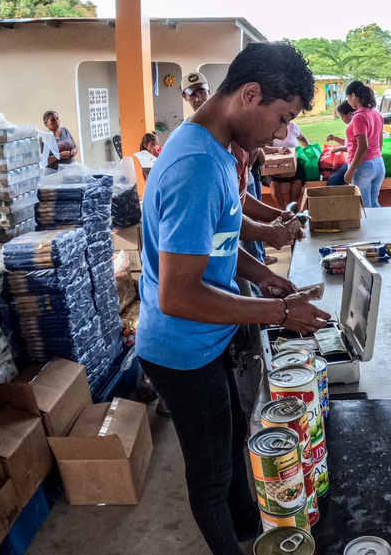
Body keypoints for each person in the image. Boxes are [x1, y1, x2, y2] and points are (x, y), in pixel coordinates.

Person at [137, 42, 329, 554]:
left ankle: (251, 529)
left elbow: (218, 243)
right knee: (210, 473)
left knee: (235, 435)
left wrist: (263, 274)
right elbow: (179, 294)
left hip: (211, 336)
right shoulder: (196, 165)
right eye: (282, 117)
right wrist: (281, 311)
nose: (282, 133)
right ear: (250, 95)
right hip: (181, 349)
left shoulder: (217, 149)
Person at [343, 81, 386, 208]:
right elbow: (380, 138)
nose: (348, 101)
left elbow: (363, 146)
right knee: (374, 203)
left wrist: (350, 170)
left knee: (363, 207)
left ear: (353, 96)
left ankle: (370, 229)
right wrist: (377, 155)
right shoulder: (376, 114)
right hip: (378, 162)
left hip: (363, 167)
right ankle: (379, 228)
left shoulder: (359, 117)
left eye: (347, 97)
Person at [263, 121, 310, 208]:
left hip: (292, 162)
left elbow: (302, 138)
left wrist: (309, 149)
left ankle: (290, 208)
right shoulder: (270, 127)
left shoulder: (293, 126)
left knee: (298, 181)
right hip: (274, 164)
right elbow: (263, 148)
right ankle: (282, 210)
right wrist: (277, 150)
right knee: (274, 183)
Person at [325, 100, 356, 186]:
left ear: (350, 114)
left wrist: (338, 148)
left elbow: (355, 147)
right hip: (352, 160)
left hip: (356, 162)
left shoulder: (355, 126)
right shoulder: (351, 126)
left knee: (333, 181)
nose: (342, 119)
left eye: (342, 116)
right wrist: (336, 138)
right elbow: (347, 143)